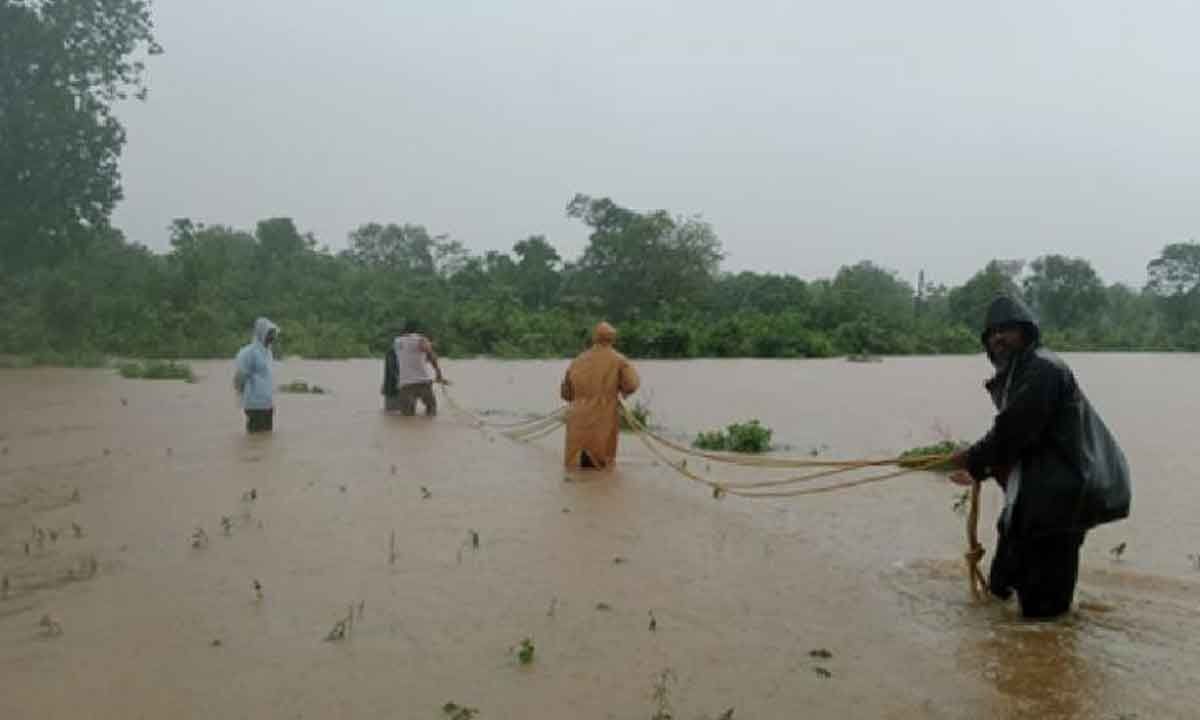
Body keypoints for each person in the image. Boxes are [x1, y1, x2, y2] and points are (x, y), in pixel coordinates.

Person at [949, 295, 1131, 619]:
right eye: (991, 333)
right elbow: (1023, 439)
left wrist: (973, 461)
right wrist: (981, 466)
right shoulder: (1021, 373)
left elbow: (1013, 431)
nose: (998, 338)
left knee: (1044, 619)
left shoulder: (1043, 369)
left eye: (1006, 330)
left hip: (1061, 504)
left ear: (1027, 332)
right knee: (1000, 589)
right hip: (1033, 498)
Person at [560, 321, 640, 469]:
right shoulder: (619, 360)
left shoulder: (576, 361)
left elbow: (566, 394)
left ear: (594, 338)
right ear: (613, 339)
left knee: (575, 471)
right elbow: (632, 385)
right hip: (602, 420)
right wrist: (620, 390)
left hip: (576, 422)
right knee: (601, 471)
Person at [381, 323, 447, 416]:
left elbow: (407, 356)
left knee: (407, 417)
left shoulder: (396, 342)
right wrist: (438, 373)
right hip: (423, 383)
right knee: (431, 411)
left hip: (405, 385)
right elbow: (431, 355)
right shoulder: (420, 339)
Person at [234, 317, 279, 433]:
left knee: (266, 438)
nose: (273, 336)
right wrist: (240, 396)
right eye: (270, 333)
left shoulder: (268, 352)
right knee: (254, 437)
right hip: (254, 404)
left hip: (266, 404)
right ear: (262, 333)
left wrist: (271, 402)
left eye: (273, 333)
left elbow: (267, 379)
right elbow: (240, 375)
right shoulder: (249, 352)